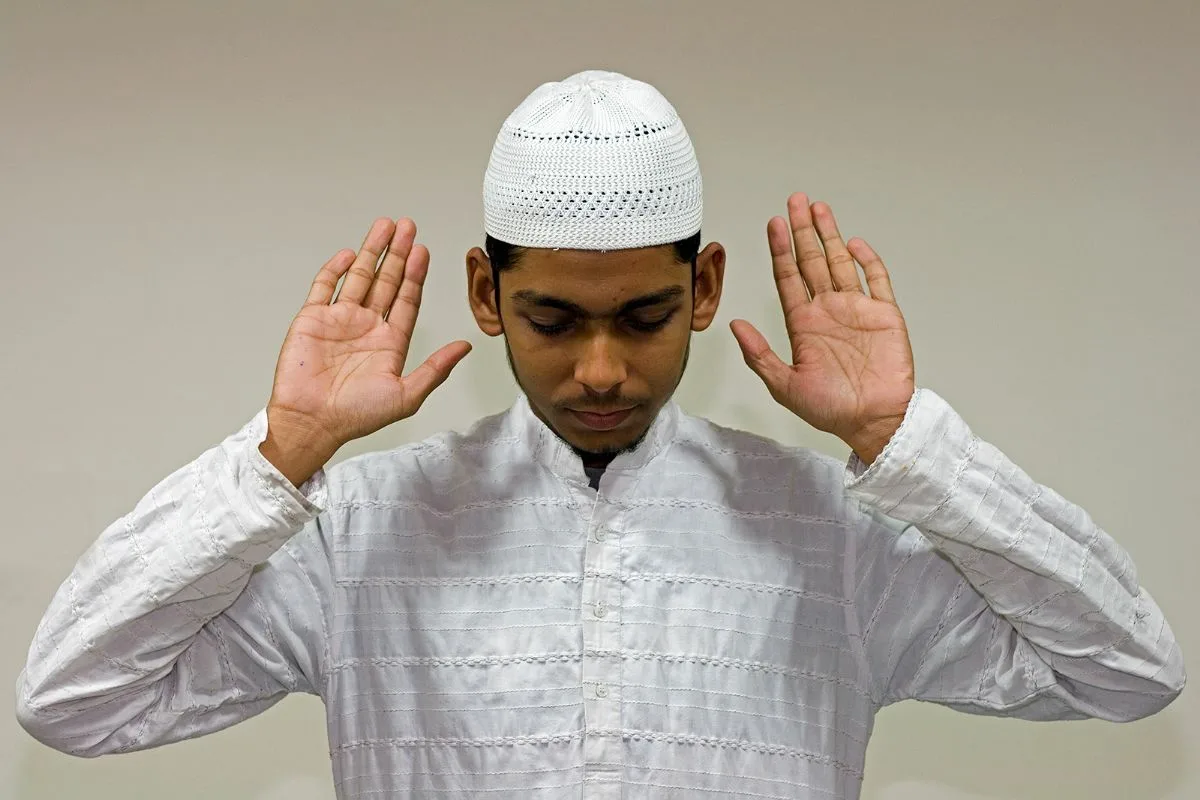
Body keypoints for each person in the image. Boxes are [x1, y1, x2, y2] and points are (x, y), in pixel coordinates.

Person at [15, 70, 1184, 800]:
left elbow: (1129, 670)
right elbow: (72, 698)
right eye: (553, 319)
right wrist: (279, 459)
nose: (602, 369)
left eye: (644, 316)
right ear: (486, 295)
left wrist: (909, 444)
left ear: (705, 286)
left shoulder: (833, 532)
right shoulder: (359, 530)